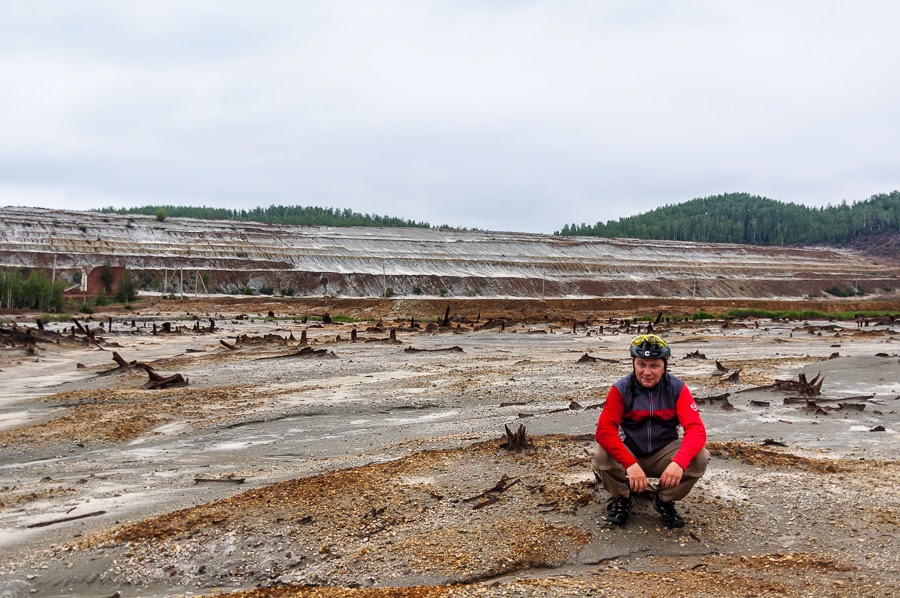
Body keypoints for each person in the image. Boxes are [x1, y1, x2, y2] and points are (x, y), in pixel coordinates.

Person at [592, 334, 709, 528]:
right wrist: (629, 464)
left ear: (665, 366)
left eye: (654, 365)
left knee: (700, 457)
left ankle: (663, 500)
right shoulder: (620, 389)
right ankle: (624, 497)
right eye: (641, 364)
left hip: (663, 452)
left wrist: (679, 463)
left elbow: (696, 430)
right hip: (631, 450)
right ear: (633, 363)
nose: (647, 372)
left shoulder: (678, 389)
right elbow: (604, 431)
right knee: (601, 455)